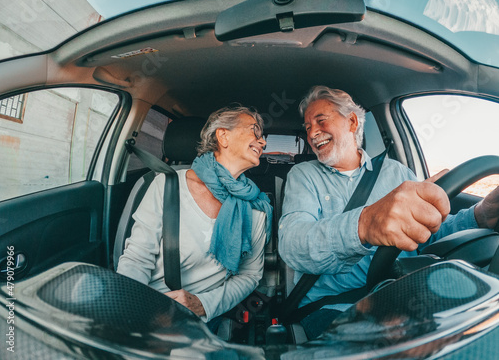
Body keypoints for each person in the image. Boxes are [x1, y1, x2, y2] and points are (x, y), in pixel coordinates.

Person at [278, 85, 499, 339]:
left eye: (320, 121)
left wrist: (482, 214)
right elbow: (292, 243)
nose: (312, 133)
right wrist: (364, 225)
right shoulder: (303, 176)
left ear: (351, 122)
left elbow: (432, 231)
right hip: (334, 307)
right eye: (307, 127)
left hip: (401, 292)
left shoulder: (397, 173)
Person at [118, 105, 273, 331]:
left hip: (202, 318)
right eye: (254, 132)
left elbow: (250, 275)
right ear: (223, 136)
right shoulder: (167, 185)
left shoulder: (257, 209)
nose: (263, 142)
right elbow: (137, 258)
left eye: (262, 137)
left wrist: (203, 305)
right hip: (145, 304)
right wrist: (133, 311)